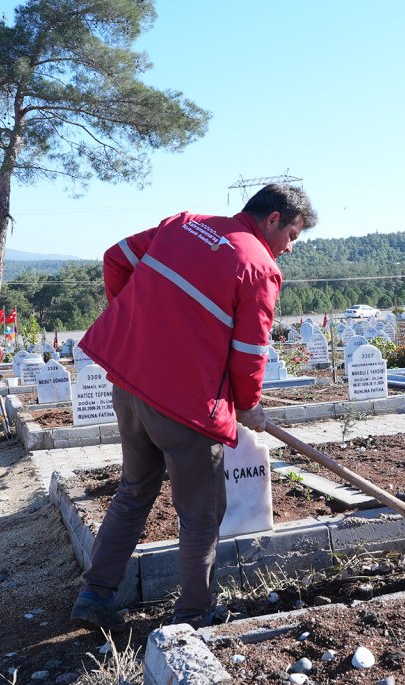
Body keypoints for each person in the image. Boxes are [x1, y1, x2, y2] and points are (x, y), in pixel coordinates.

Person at [71, 184, 318, 630]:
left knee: (133, 491)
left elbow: (116, 258)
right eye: (293, 236)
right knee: (201, 513)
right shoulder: (258, 267)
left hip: (129, 386)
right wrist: (248, 405)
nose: (290, 248)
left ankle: (94, 594)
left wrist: (139, 327)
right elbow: (249, 352)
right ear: (274, 219)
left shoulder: (182, 225)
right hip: (185, 404)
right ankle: (192, 616)